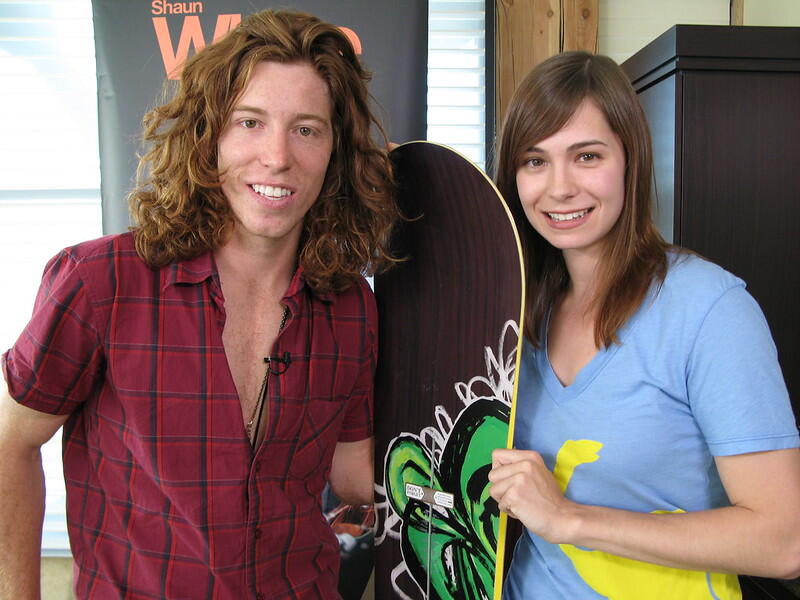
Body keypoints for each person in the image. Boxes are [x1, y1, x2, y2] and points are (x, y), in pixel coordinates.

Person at [0, 9, 398, 599]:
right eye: (250, 123)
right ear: (209, 137)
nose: (278, 156)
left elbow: (353, 475)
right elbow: (10, 441)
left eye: (307, 129)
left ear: (335, 154)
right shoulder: (100, 282)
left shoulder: (350, 308)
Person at [488, 51, 800, 599]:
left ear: (631, 159)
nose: (558, 187)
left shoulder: (709, 310)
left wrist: (570, 519)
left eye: (586, 156)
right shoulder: (520, 309)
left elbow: (785, 541)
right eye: (534, 161)